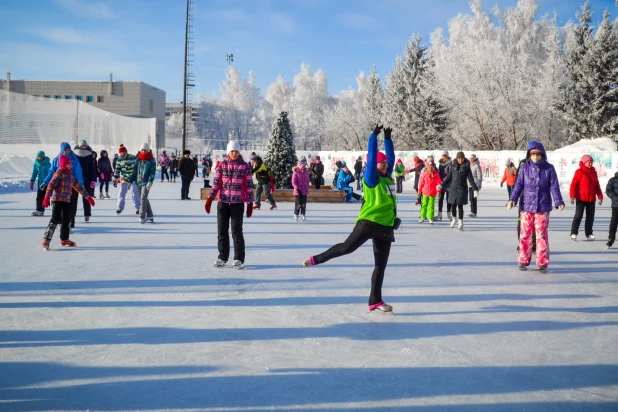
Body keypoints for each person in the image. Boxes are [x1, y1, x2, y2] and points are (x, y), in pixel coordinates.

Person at [302, 124, 397, 313]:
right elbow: (371, 160)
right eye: (381, 163)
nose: (385, 165)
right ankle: (317, 259)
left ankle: (375, 300)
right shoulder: (371, 178)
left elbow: (391, 158)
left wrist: (387, 139)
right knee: (347, 248)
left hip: (386, 226)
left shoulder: (388, 177)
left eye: (386, 163)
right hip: (369, 222)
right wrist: (373, 137)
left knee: (380, 266)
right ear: (374, 165)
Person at [508, 141, 565, 272]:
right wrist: (512, 199)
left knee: (541, 235)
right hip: (526, 206)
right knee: (525, 234)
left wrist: (558, 201)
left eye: (537, 153)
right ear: (529, 154)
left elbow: (554, 186)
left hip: (542, 206)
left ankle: (542, 261)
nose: (535, 156)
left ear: (542, 154)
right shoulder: (524, 168)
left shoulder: (549, 168)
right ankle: (523, 259)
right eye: (532, 153)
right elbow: (518, 185)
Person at [204, 140, 254, 269]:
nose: (234, 153)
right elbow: (216, 184)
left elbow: (249, 186)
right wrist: (210, 198)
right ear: (228, 152)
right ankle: (222, 256)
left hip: (237, 203)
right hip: (223, 202)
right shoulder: (222, 165)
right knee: (222, 231)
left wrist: (249, 203)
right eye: (232, 151)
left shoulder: (244, 166)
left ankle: (238, 258)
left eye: (236, 151)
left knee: (236, 231)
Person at [41, 155, 95, 250]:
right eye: (69, 164)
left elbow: (78, 187)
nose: (71, 165)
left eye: (71, 164)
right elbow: (51, 186)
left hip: (66, 201)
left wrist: (88, 197)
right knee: (55, 219)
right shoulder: (59, 173)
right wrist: (46, 197)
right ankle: (46, 239)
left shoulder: (70, 175)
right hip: (57, 200)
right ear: (64, 164)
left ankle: (64, 239)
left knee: (66, 220)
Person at [569, 154, 603, 241]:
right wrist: (572, 196)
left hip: (591, 199)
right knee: (578, 215)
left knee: (590, 217)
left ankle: (589, 233)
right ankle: (574, 232)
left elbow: (597, 186)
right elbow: (574, 185)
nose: (590, 164)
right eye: (589, 162)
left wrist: (600, 196)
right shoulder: (579, 172)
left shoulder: (594, 173)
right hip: (581, 198)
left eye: (591, 162)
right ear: (584, 163)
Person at [442, 151, 478, 231]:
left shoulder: (467, 167)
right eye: (459, 158)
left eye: (461, 158)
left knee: (460, 206)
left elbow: (471, 179)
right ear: (457, 158)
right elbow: (448, 177)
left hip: (462, 189)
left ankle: (461, 221)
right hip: (453, 188)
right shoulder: (453, 166)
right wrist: (441, 184)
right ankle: (454, 219)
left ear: (463, 158)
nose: (460, 160)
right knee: (453, 205)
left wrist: (475, 189)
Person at [71, 140, 97, 225]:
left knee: (86, 197)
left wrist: (93, 180)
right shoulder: (74, 155)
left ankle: (87, 214)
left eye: (85, 146)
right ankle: (72, 215)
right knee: (73, 199)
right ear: (79, 146)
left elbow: (93, 169)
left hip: (86, 179)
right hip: (75, 180)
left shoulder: (89, 156)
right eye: (82, 146)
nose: (84, 147)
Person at [132, 143, 156, 223]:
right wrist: (130, 181)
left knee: (143, 198)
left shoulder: (151, 160)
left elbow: (152, 172)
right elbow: (134, 171)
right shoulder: (138, 159)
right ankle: (150, 215)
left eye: (145, 150)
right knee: (143, 198)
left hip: (147, 181)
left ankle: (141, 216)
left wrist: (150, 181)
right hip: (139, 181)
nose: (143, 151)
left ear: (148, 150)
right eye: (142, 150)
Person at [113, 144, 140, 215]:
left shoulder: (132, 157)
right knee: (121, 193)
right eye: (120, 152)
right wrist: (115, 178)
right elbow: (117, 169)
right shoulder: (119, 159)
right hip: (124, 178)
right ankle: (119, 208)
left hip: (133, 178)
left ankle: (138, 208)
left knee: (135, 193)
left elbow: (138, 166)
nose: (121, 153)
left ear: (125, 151)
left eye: (122, 152)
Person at [418, 157, 442, 224]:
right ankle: (422, 217)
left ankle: (430, 218)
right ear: (427, 167)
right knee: (424, 205)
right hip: (425, 192)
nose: (430, 169)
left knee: (431, 206)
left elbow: (439, 184)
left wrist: (439, 192)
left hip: (432, 193)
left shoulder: (436, 175)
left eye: (431, 168)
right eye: (429, 167)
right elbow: (422, 183)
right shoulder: (425, 174)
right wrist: (419, 191)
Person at [29, 151, 51, 216]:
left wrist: (49, 182)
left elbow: (50, 174)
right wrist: (32, 181)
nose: (40, 158)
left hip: (47, 183)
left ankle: (58, 211)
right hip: (40, 183)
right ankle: (39, 210)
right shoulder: (36, 164)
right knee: (39, 197)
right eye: (38, 156)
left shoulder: (48, 164)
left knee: (50, 197)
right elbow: (34, 172)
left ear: (43, 157)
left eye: (41, 156)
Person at [437, 151, 452, 221]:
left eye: (445, 155)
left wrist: (443, 181)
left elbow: (449, 174)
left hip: (448, 184)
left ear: (447, 156)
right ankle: (439, 214)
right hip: (441, 184)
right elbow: (439, 173)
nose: (444, 156)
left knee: (449, 200)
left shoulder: (450, 163)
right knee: (440, 199)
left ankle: (449, 214)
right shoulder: (440, 163)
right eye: (443, 155)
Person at [606, 170, 618, 248]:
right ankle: (611, 239)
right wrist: (615, 197)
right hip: (616, 205)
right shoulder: (613, 180)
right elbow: (608, 190)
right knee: (614, 222)